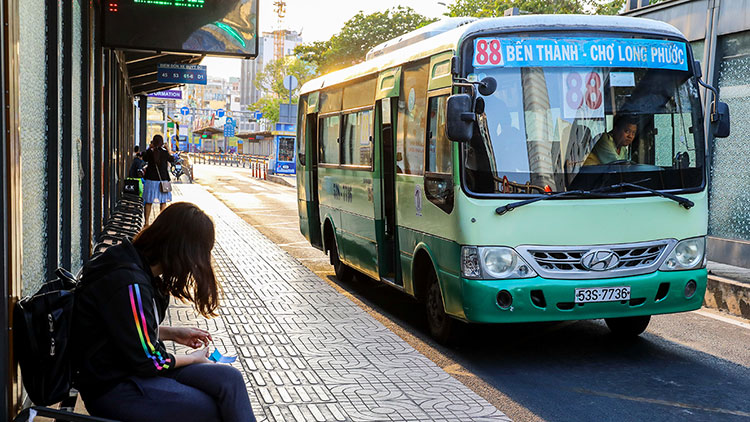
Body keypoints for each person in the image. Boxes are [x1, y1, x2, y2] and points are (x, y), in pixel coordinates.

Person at [71, 202, 256, 422]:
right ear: (182, 251)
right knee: (207, 408)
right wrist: (194, 359)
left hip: (131, 371)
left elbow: (121, 329)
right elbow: (151, 361)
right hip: (114, 387)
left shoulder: (132, 263)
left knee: (229, 379)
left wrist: (172, 333)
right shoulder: (129, 282)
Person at [142, 134, 175, 225]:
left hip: (150, 180)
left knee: (148, 202)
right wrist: (168, 149)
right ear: (162, 143)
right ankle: (162, 223)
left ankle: (146, 222)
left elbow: (144, 158)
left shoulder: (150, 152)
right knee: (163, 202)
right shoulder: (164, 153)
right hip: (162, 180)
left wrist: (149, 147)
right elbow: (172, 159)